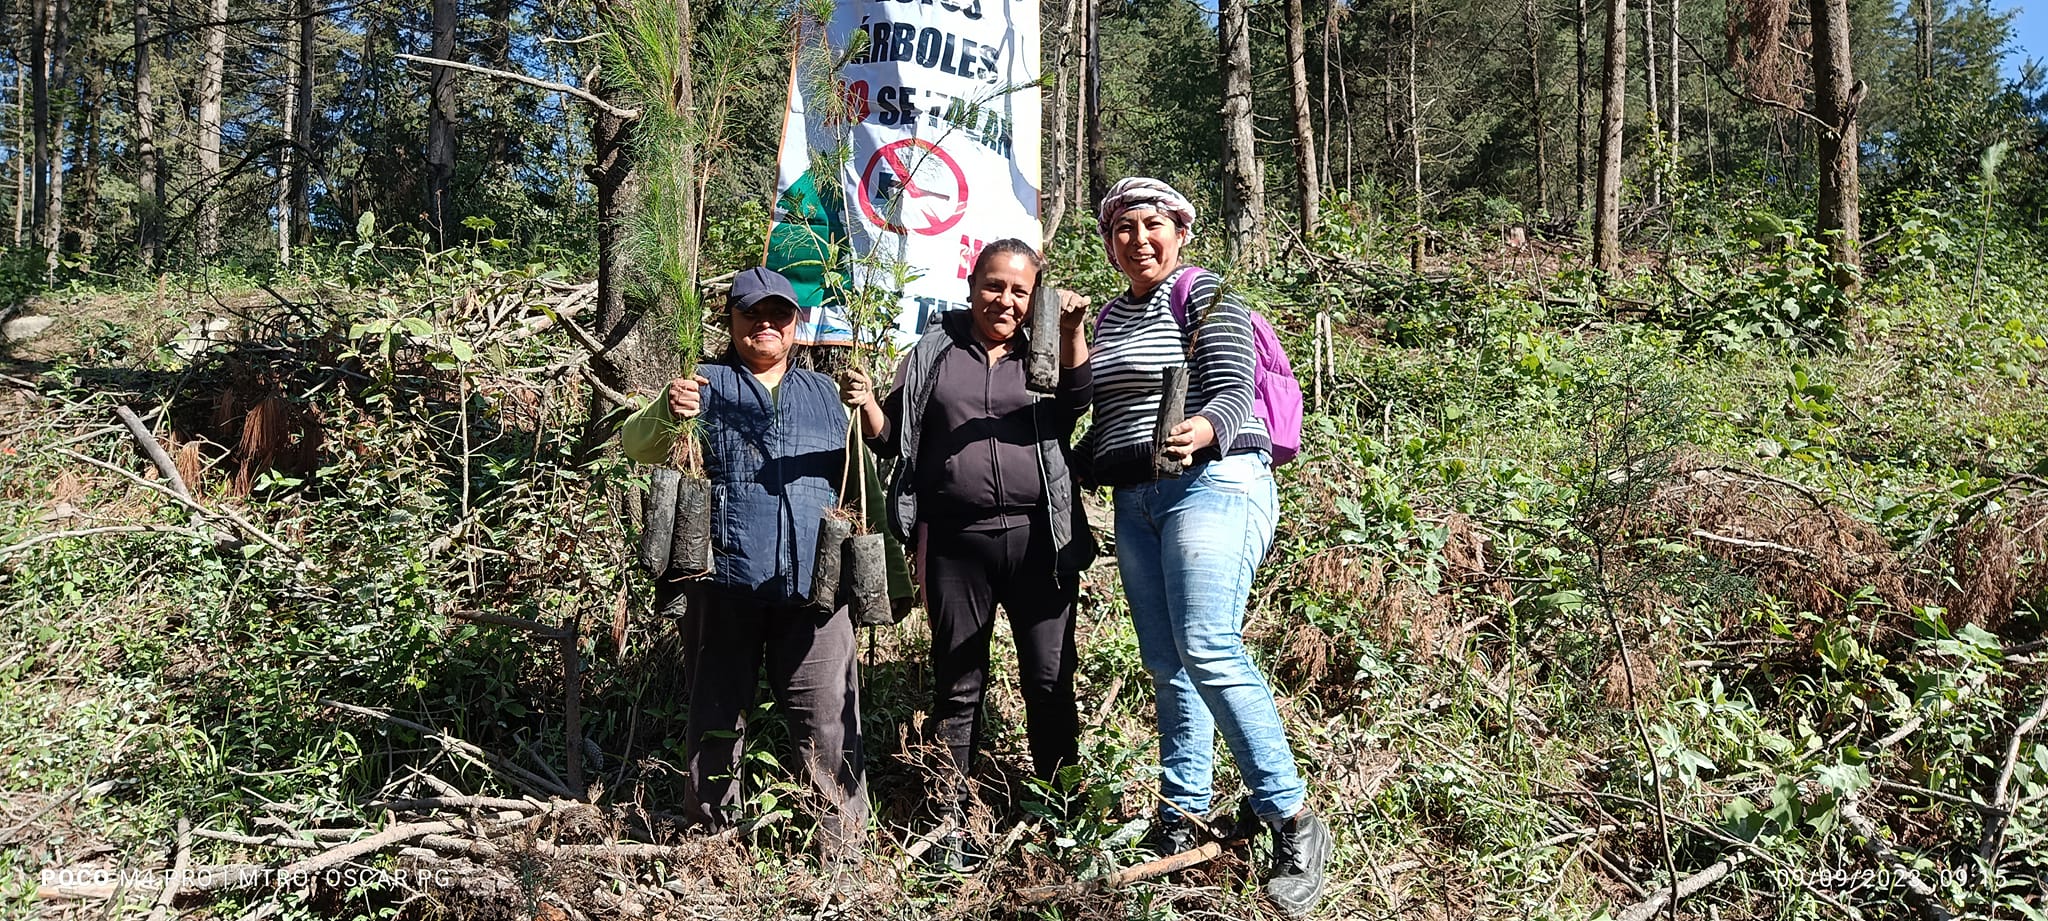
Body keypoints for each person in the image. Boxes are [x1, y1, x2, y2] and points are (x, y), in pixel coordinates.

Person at [1078, 178, 1332, 917]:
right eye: (1123, 228)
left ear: (1180, 231)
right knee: (1167, 662)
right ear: (1108, 243)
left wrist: (1209, 426)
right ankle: (1180, 816)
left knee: (1207, 643)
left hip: (1216, 481)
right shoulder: (1111, 317)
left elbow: (1234, 385)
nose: (1138, 239)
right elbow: (1109, 421)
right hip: (1139, 498)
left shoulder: (1204, 291)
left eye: (1152, 224)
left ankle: (1293, 819)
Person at [839, 239, 1095, 867]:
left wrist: (1070, 329)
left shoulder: (1044, 348)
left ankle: (1060, 812)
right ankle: (952, 818)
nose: (1004, 299)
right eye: (993, 285)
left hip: (1040, 538)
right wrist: (869, 402)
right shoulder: (936, 348)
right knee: (959, 681)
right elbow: (894, 435)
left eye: (1019, 290)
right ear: (971, 283)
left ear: (1034, 296)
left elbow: (1075, 401)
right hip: (955, 541)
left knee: (1048, 678)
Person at [618, 267, 867, 862]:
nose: (766, 323)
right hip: (722, 582)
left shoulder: (829, 396)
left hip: (815, 586)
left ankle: (843, 855)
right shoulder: (703, 383)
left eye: (779, 313)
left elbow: (869, 472)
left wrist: (871, 409)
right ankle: (709, 845)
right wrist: (666, 410)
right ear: (730, 319)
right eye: (751, 312)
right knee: (715, 713)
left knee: (829, 720)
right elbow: (636, 445)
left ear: (796, 323)